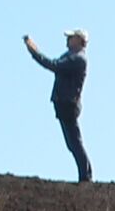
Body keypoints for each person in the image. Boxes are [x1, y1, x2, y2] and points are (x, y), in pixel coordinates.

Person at [24, 29, 92, 182]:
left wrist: (34, 52)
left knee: (75, 142)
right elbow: (56, 64)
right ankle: (85, 176)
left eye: (71, 37)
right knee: (72, 143)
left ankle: (86, 177)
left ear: (79, 40)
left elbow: (53, 65)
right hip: (64, 104)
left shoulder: (78, 59)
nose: (67, 39)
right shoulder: (70, 57)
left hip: (69, 104)